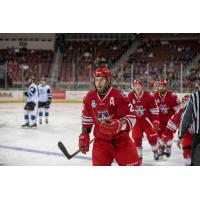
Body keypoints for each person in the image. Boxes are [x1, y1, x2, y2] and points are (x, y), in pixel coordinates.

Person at [79, 67, 140, 166]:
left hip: (121, 141)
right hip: (101, 143)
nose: (98, 83)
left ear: (108, 81)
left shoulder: (118, 95)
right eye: (97, 80)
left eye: (102, 80)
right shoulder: (89, 98)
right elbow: (87, 121)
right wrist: (84, 136)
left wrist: (119, 124)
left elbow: (132, 117)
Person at [128, 80, 160, 164]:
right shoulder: (130, 96)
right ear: (133, 87)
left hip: (148, 122)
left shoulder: (149, 96)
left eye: (139, 85)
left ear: (142, 86)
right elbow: (127, 109)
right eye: (135, 85)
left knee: (152, 140)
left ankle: (156, 151)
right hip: (136, 122)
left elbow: (155, 110)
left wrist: (155, 122)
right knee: (137, 139)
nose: (137, 87)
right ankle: (139, 157)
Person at [162, 95, 192, 165]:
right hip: (186, 137)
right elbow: (170, 125)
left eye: (187, 102)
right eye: (183, 102)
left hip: (196, 136)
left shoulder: (196, 112)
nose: (185, 104)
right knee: (187, 157)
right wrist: (165, 135)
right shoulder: (179, 113)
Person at [154, 80, 181, 157]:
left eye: (163, 86)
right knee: (159, 135)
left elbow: (178, 109)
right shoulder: (155, 95)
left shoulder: (172, 96)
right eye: (160, 86)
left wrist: (176, 120)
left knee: (168, 136)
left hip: (170, 121)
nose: (161, 88)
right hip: (160, 120)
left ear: (166, 87)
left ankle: (168, 147)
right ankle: (161, 149)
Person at [179, 89, 200, 165]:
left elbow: (185, 118)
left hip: (197, 135)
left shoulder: (194, 97)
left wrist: (180, 135)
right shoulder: (193, 97)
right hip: (193, 136)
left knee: (194, 161)